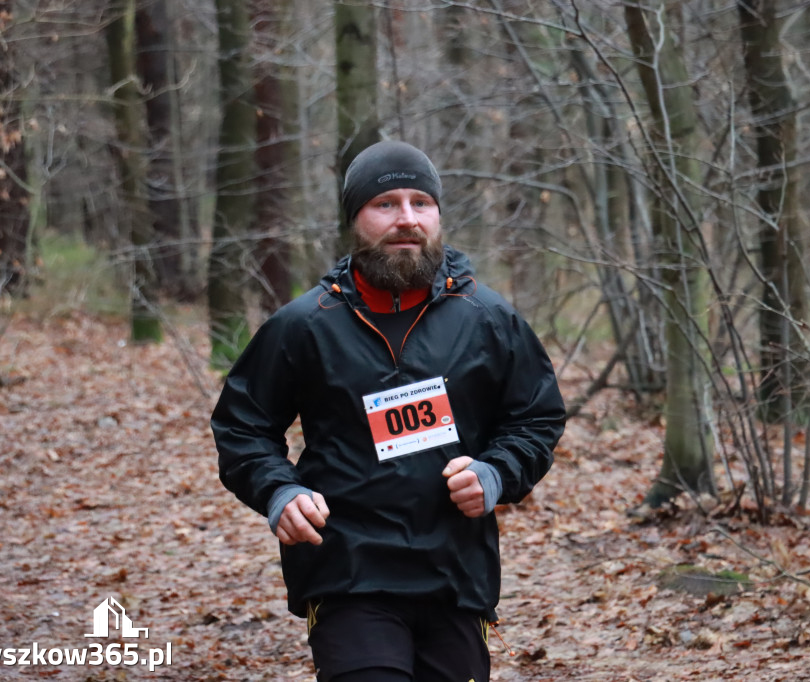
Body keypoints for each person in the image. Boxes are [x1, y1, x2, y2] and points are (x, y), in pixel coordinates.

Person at [212, 140, 566, 682]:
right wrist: (278, 491)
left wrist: (496, 472)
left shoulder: (489, 319)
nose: (406, 219)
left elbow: (536, 418)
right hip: (349, 572)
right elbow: (243, 426)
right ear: (355, 218)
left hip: (455, 575)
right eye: (386, 204)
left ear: (438, 215)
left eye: (420, 203)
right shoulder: (305, 325)